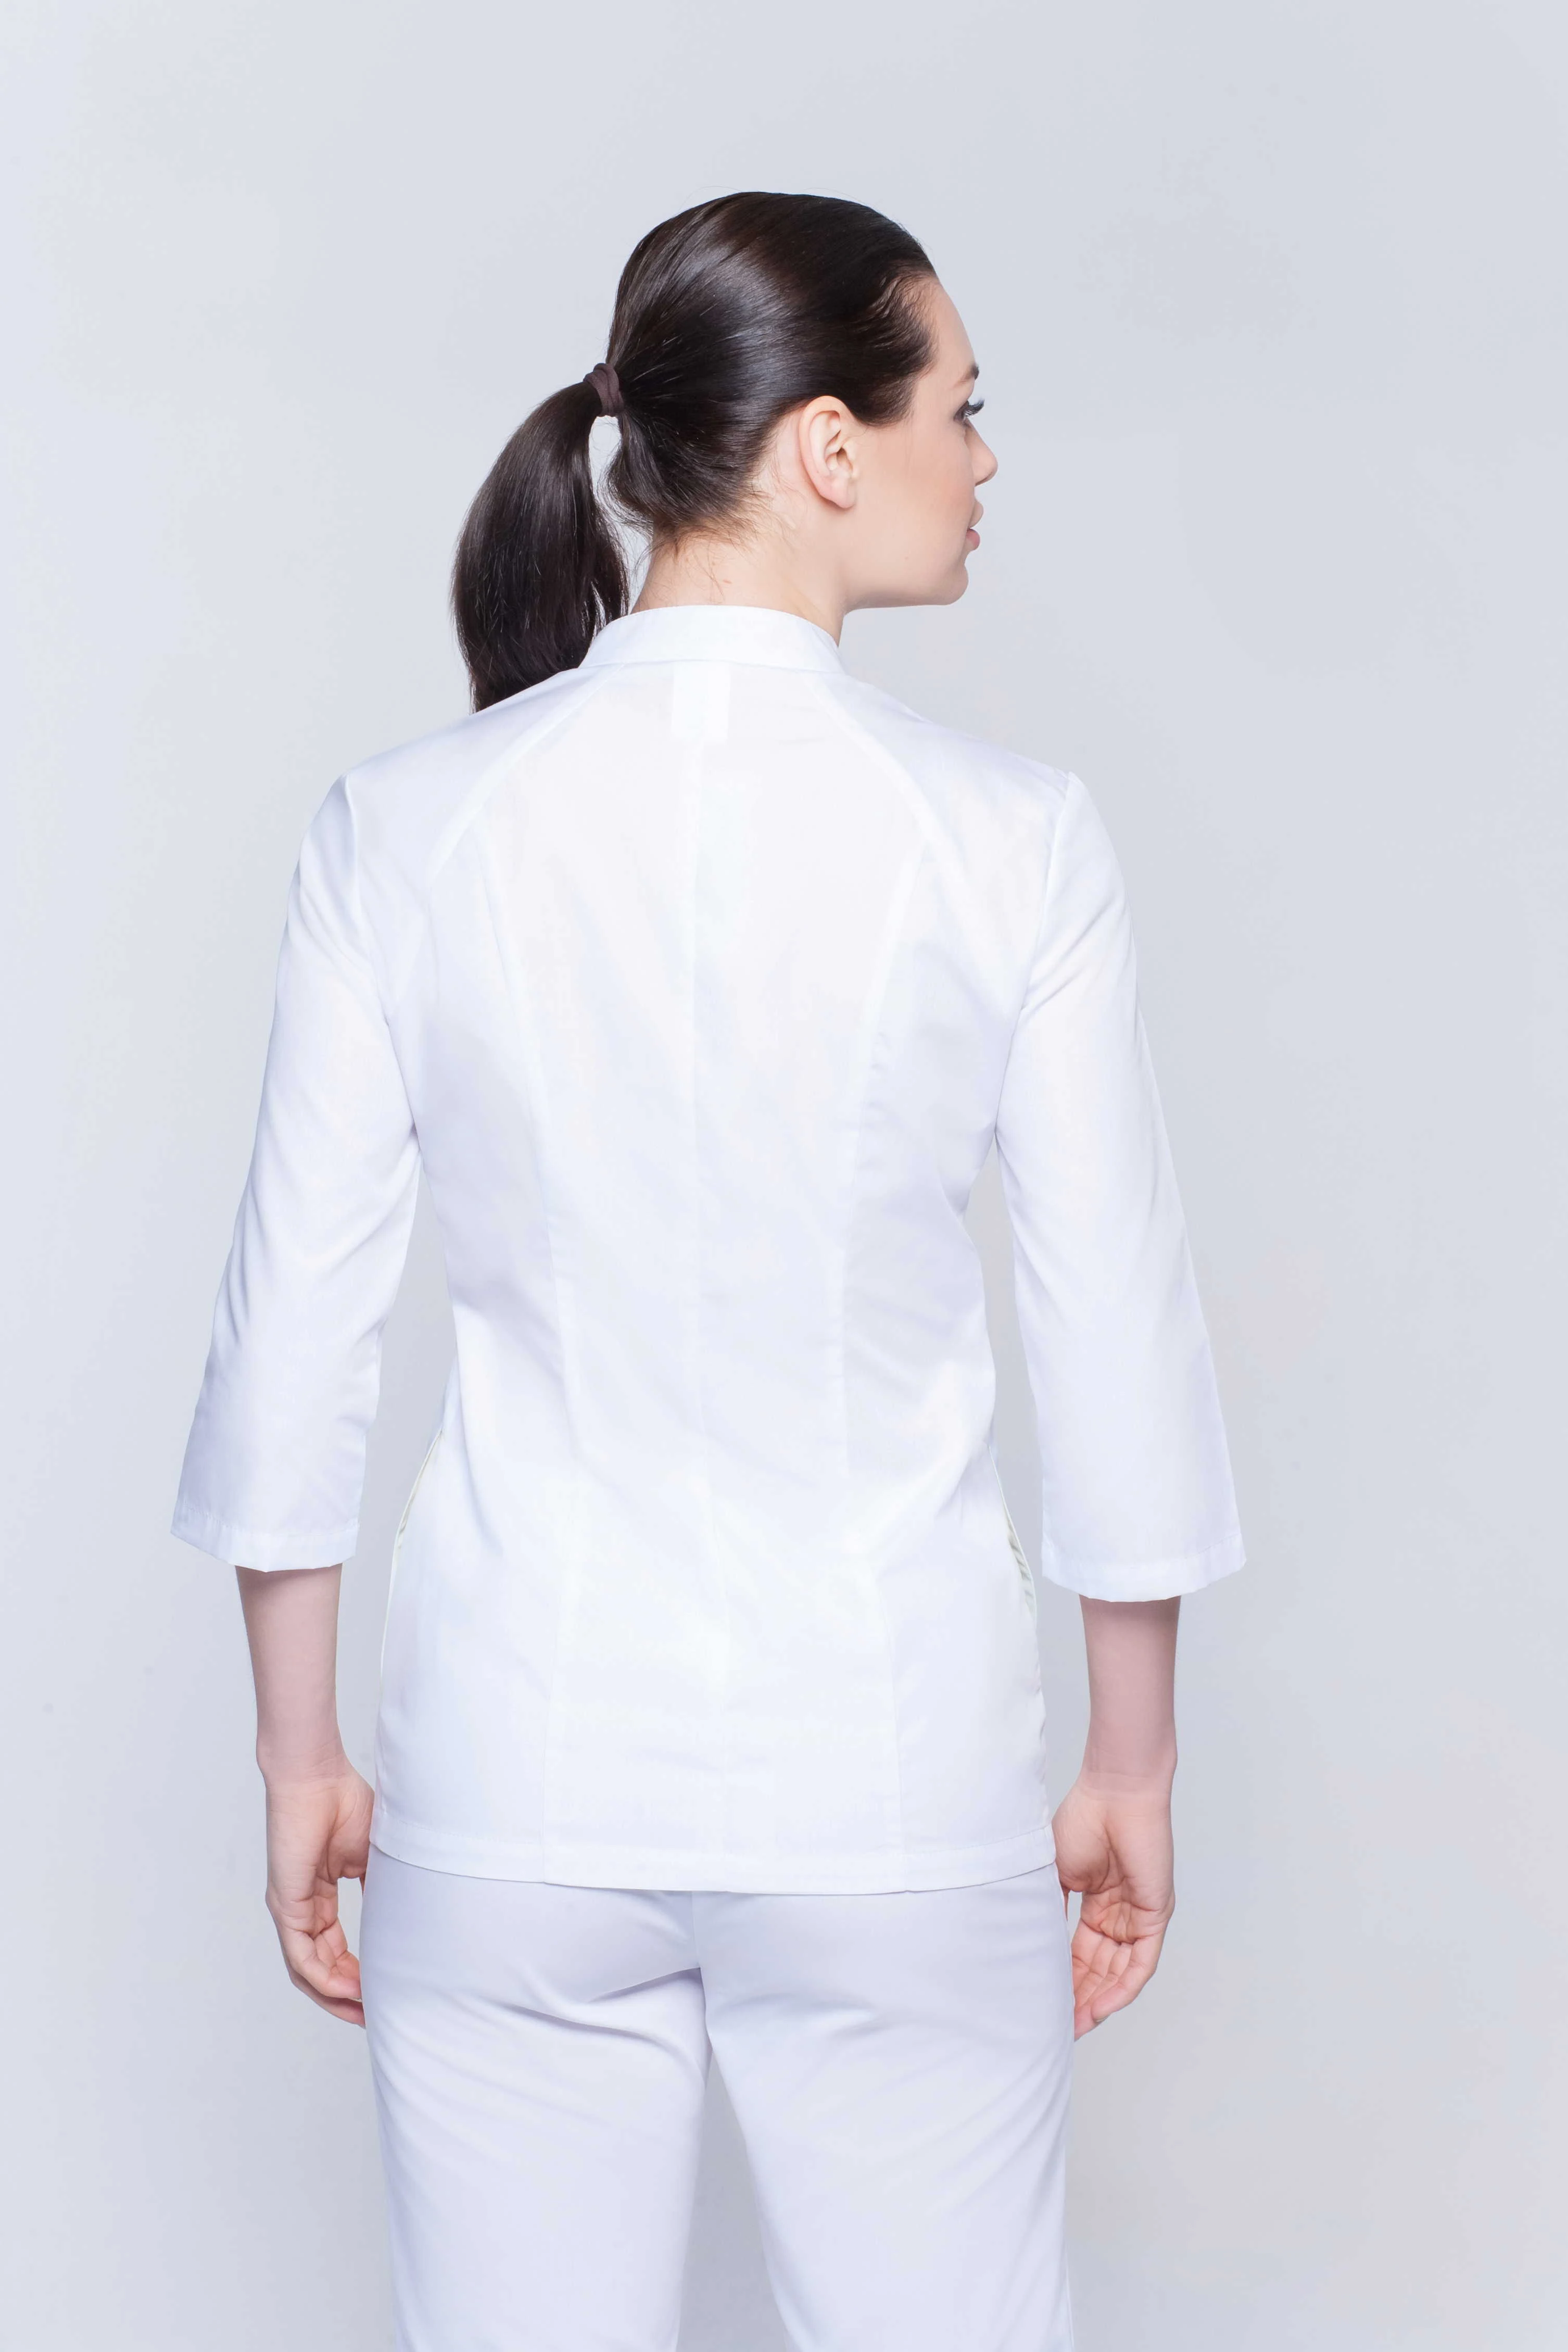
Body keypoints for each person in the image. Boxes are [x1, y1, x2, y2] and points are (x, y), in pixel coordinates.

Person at [174, 191, 1244, 2352]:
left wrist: (300, 1755)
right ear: (831, 447)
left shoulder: (401, 826)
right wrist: (1131, 1765)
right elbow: (1112, 1339)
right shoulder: (1013, 838)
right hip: (893, 1776)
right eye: (964, 408)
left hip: (514, 1775)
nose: (986, 458)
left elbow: (291, 1344)